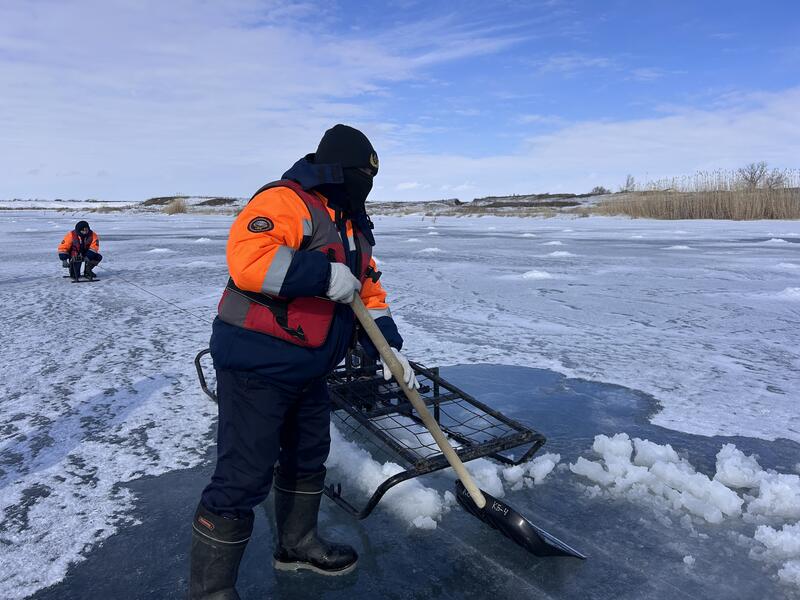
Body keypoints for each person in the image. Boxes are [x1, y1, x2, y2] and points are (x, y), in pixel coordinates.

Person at [190, 124, 419, 598]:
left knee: (307, 455)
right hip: (258, 363)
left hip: (309, 365)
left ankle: (296, 546)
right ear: (337, 169)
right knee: (243, 475)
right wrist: (318, 273)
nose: (367, 185)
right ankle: (210, 591)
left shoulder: (353, 221)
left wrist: (389, 347)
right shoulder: (286, 201)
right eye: (361, 175)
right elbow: (248, 258)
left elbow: (368, 291)